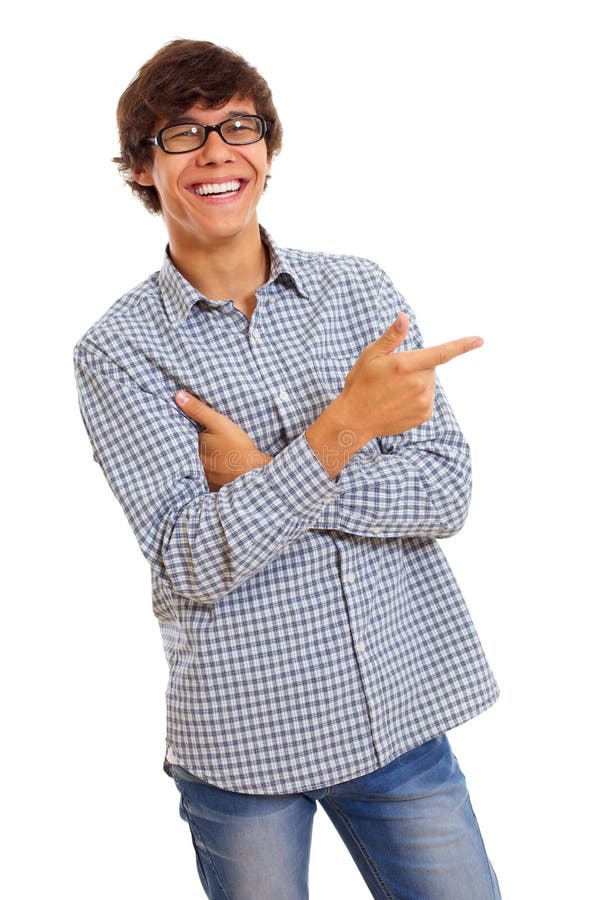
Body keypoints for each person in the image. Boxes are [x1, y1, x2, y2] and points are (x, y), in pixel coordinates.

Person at [74, 38, 502, 899]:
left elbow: (446, 491)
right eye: (182, 135)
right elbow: (191, 555)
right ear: (141, 169)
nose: (217, 151)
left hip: (398, 715)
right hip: (244, 742)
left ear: (268, 149)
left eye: (239, 126)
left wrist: (269, 470)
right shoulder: (118, 352)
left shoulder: (360, 293)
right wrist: (346, 428)